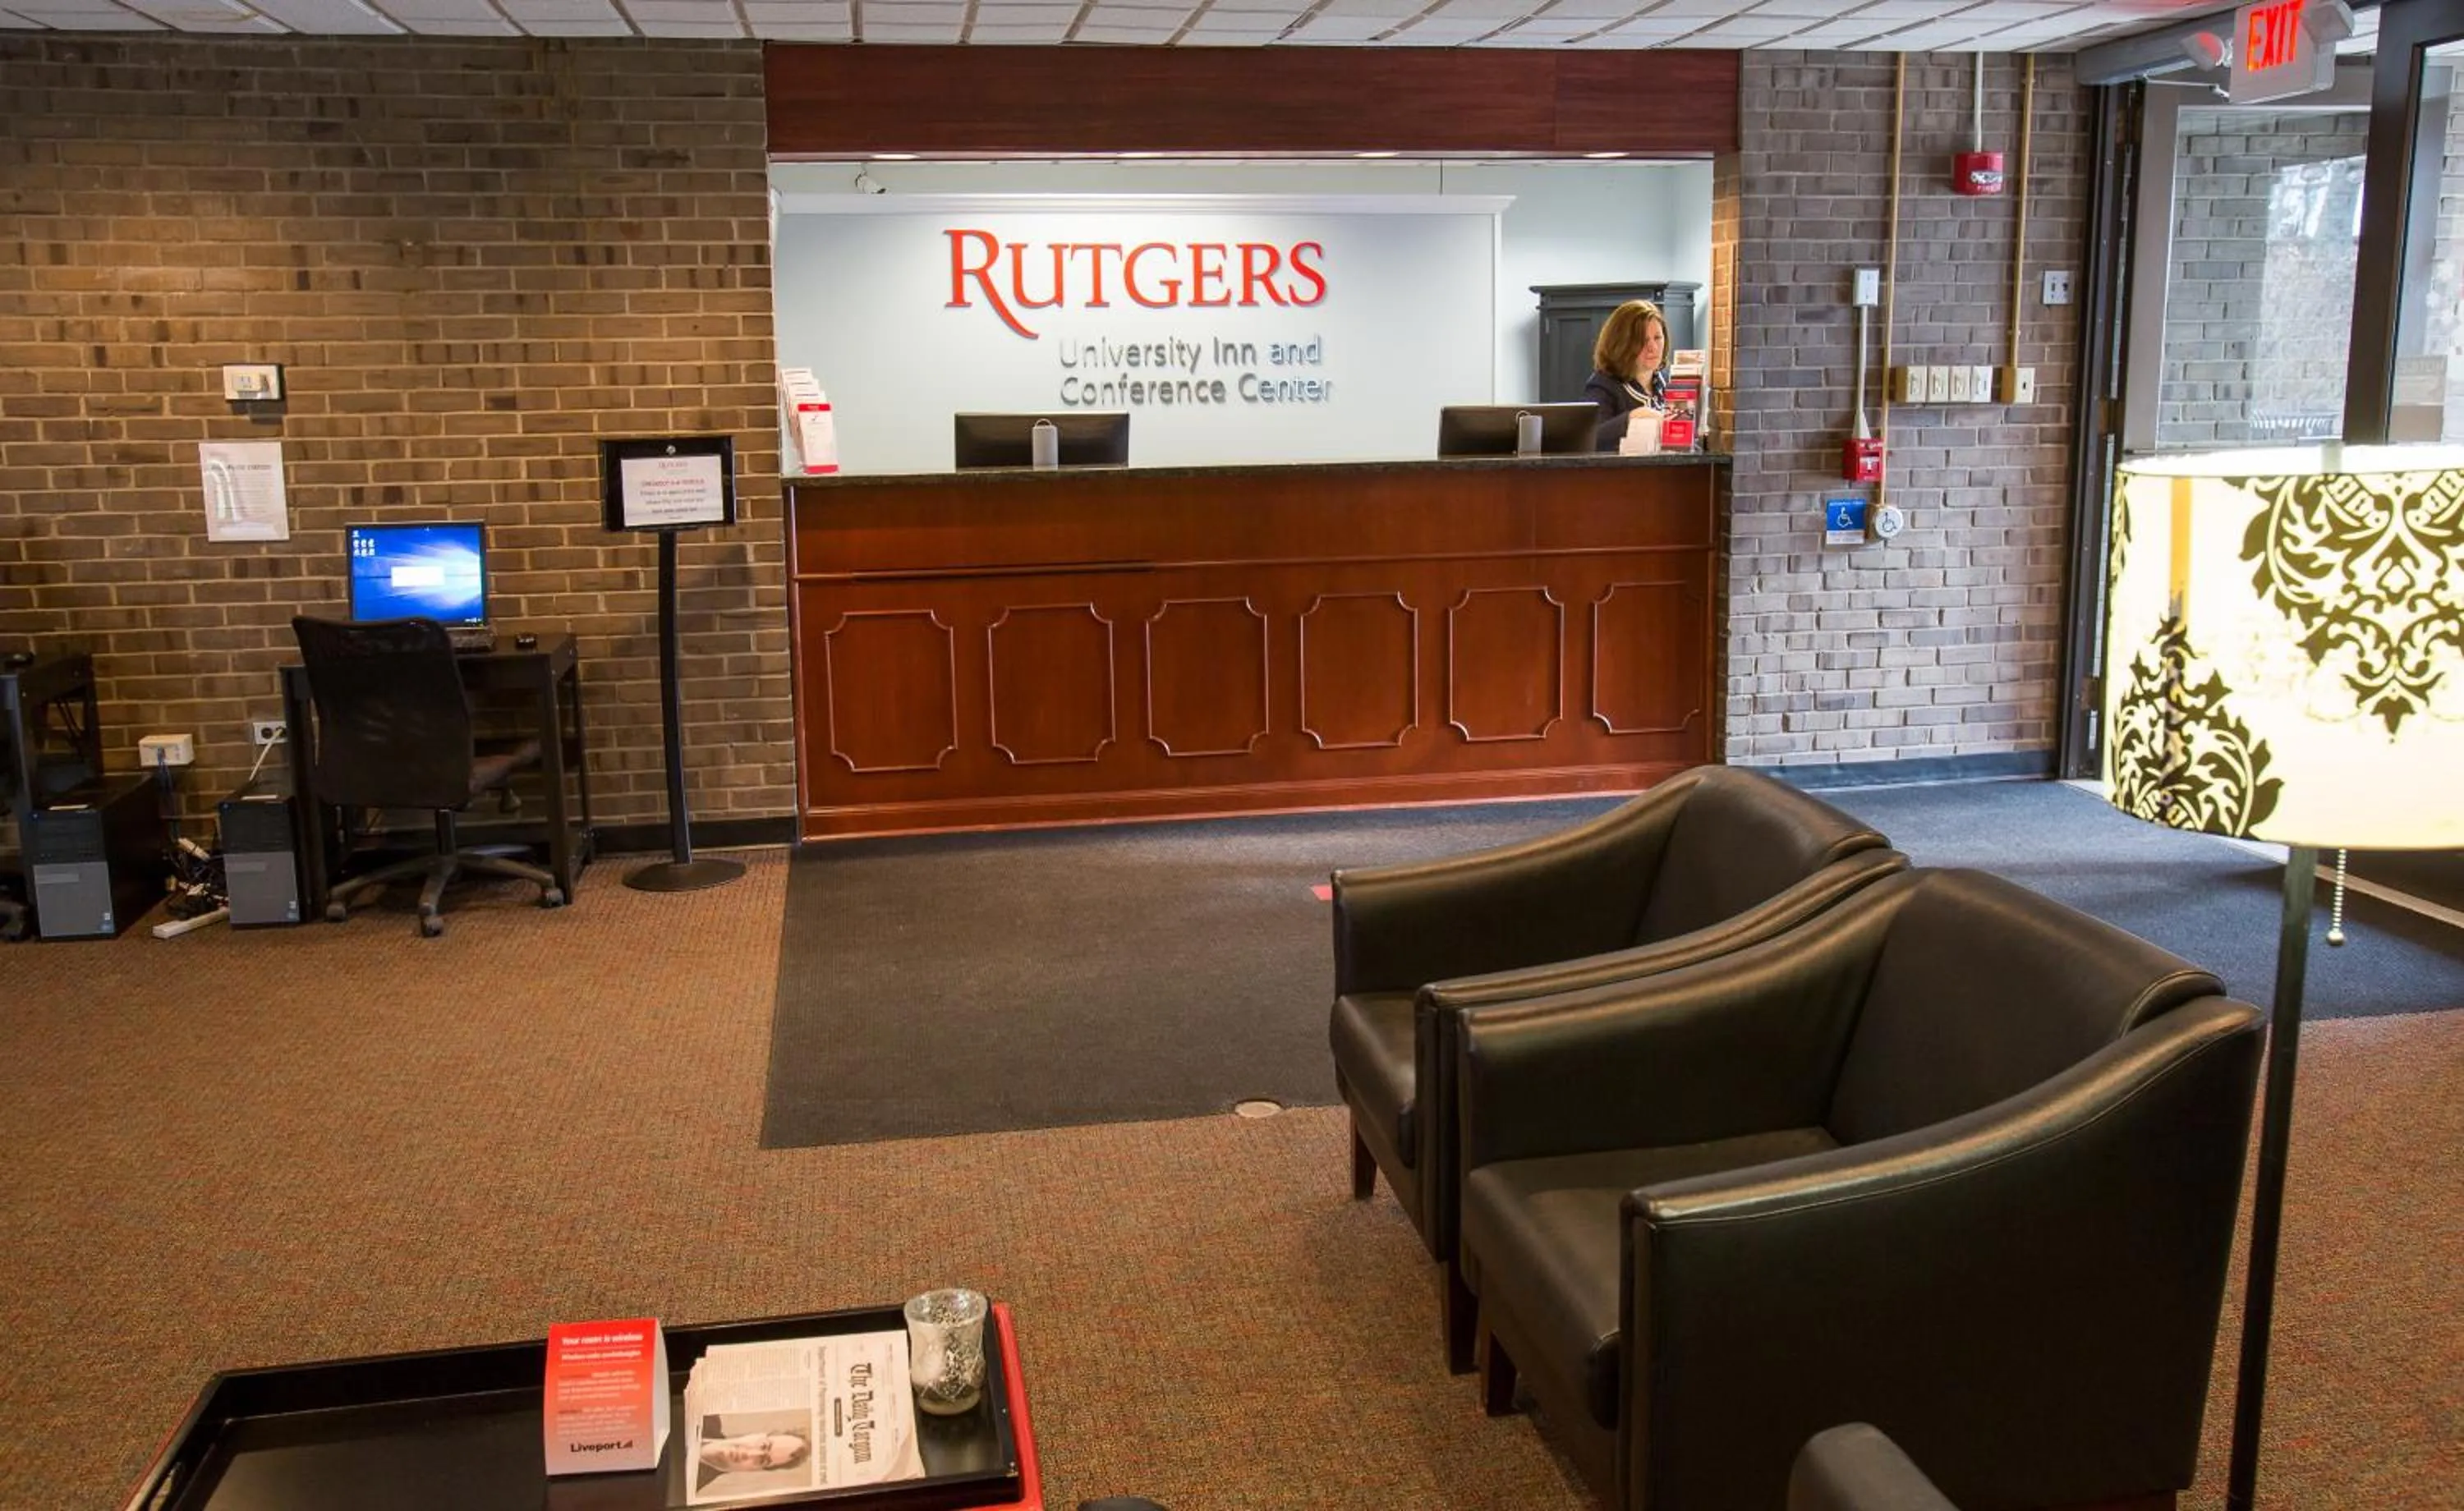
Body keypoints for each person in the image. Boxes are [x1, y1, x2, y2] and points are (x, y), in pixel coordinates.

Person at [1582, 298, 1670, 451]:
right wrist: (1633, 417)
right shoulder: (1603, 385)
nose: (1653, 347)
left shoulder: (1669, 382)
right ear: (1622, 344)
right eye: (1643, 340)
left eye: (1657, 338)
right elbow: (1591, 438)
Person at [696, 1424, 811, 1487]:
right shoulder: (708, 1419)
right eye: (763, 1446)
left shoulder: (693, 1486)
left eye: (762, 1461)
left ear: (755, 1470)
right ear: (757, 1435)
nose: (749, 1454)